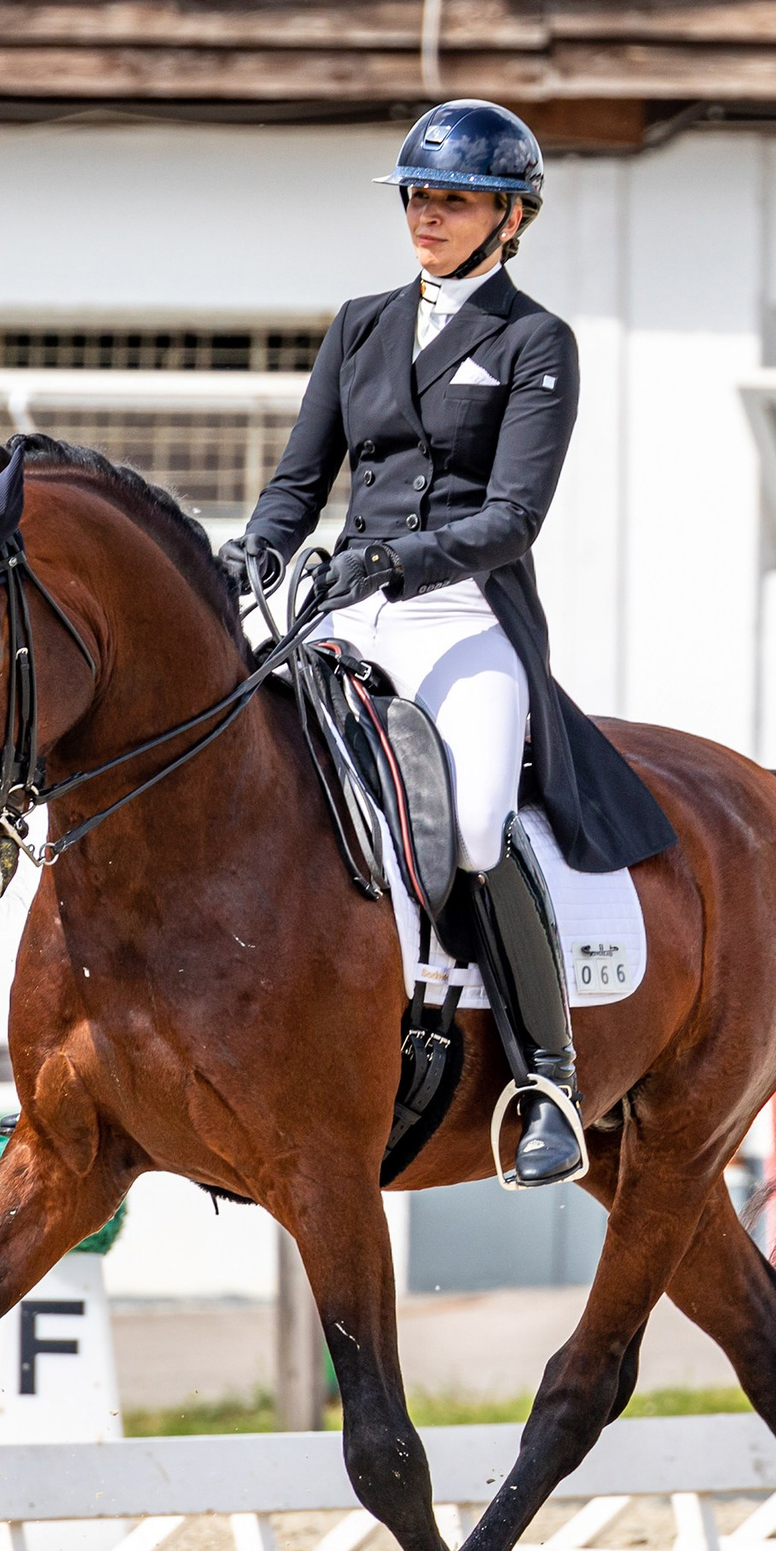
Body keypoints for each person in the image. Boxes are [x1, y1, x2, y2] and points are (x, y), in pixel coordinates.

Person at [216, 99, 676, 1189]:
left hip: (463, 615)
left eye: (453, 199)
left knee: (470, 821)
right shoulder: (360, 323)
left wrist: (395, 561)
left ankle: (548, 1079)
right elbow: (297, 484)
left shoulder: (532, 342)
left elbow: (513, 517)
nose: (428, 214)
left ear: (509, 218)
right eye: (418, 196)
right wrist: (253, 554)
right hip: (345, 611)